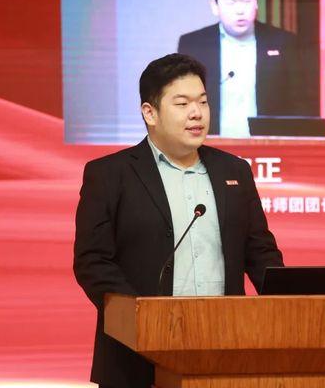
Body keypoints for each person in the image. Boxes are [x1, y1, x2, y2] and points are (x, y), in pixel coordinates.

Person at [73, 53, 284, 388]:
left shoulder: (234, 171)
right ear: (150, 113)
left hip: (225, 350)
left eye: (203, 101)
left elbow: (260, 253)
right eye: (182, 103)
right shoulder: (110, 174)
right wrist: (141, 318)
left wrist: (289, 306)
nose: (197, 113)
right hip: (136, 359)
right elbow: (93, 262)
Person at [177, 0, 312, 138]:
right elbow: (182, 102)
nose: (240, 10)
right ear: (215, 6)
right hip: (209, 143)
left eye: (246, 1)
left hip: (267, 145)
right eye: (231, 2)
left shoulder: (283, 42)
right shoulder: (193, 44)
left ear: (256, 2)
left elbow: (300, 104)